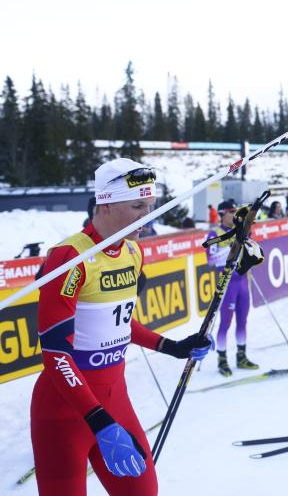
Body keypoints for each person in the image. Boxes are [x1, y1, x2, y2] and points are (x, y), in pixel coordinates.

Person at [31, 158, 212, 496]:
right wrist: (97, 420)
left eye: (150, 205)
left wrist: (171, 347)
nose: (148, 215)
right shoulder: (69, 258)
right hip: (65, 409)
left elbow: (119, 321)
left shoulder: (131, 252)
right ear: (106, 205)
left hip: (116, 401)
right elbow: (56, 352)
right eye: (137, 206)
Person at [208, 200, 259, 377]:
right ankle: (222, 359)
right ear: (222, 214)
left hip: (242, 282)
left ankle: (241, 356)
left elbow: (251, 250)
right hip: (227, 283)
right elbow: (211, 259)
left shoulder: (242, 231)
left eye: (236, 211)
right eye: (231, 212)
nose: (235, 215)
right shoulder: (214, 233)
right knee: (225, 322)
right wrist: (230, 249)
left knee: (243, 320)